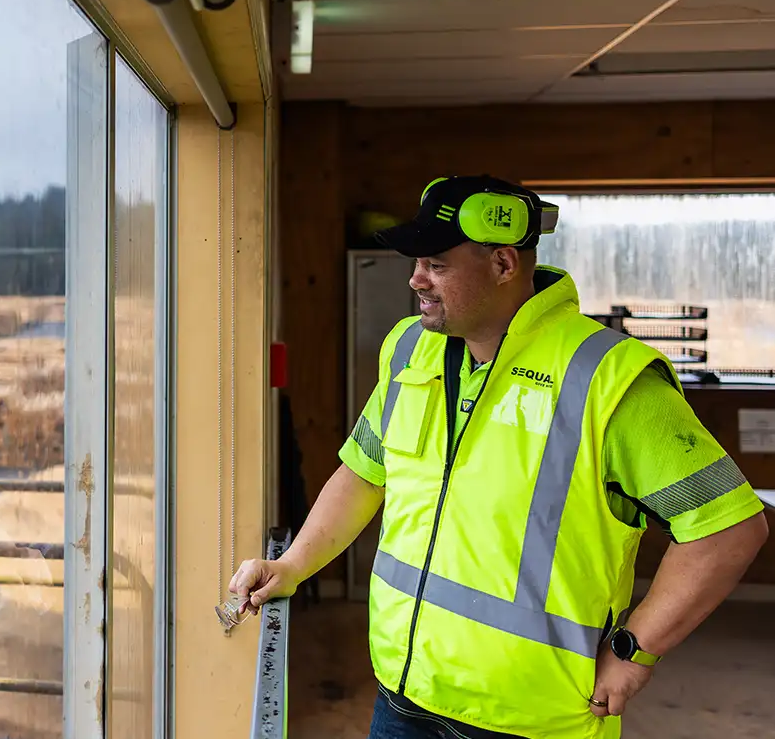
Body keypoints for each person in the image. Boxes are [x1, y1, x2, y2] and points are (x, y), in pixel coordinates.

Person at [230, 175, 769, 739]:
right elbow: (365, 473)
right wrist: (291, 566)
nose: (416, 279)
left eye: (436, 264)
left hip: (531, 720)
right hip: (403, 697)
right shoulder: (410, 348)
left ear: (504, 264)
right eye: (416, 262)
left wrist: (636, 650)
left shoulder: (607, 379)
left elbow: (727, 529)